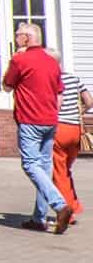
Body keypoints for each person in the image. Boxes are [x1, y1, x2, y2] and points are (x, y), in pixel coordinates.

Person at [5, 23, 74, 233]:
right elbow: (59, 91)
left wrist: (14, 59)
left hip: (30, 120)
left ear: (27, 38)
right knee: (44, 168)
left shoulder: (20, 59)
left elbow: (7, 85)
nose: (16, 38)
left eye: (18, 35)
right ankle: (38, 218)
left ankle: (60, 205)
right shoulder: (52, 62)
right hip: (50, 120)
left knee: (30, 165)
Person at [49, 50, 90, 224]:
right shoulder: (75, 79)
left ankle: (68, 212)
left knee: (59, 173)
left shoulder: (52, 80)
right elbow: (89, 101)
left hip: (59, 128)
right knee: (66, 169)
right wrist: (80, 111)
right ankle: (74, 204)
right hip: (75, 130)